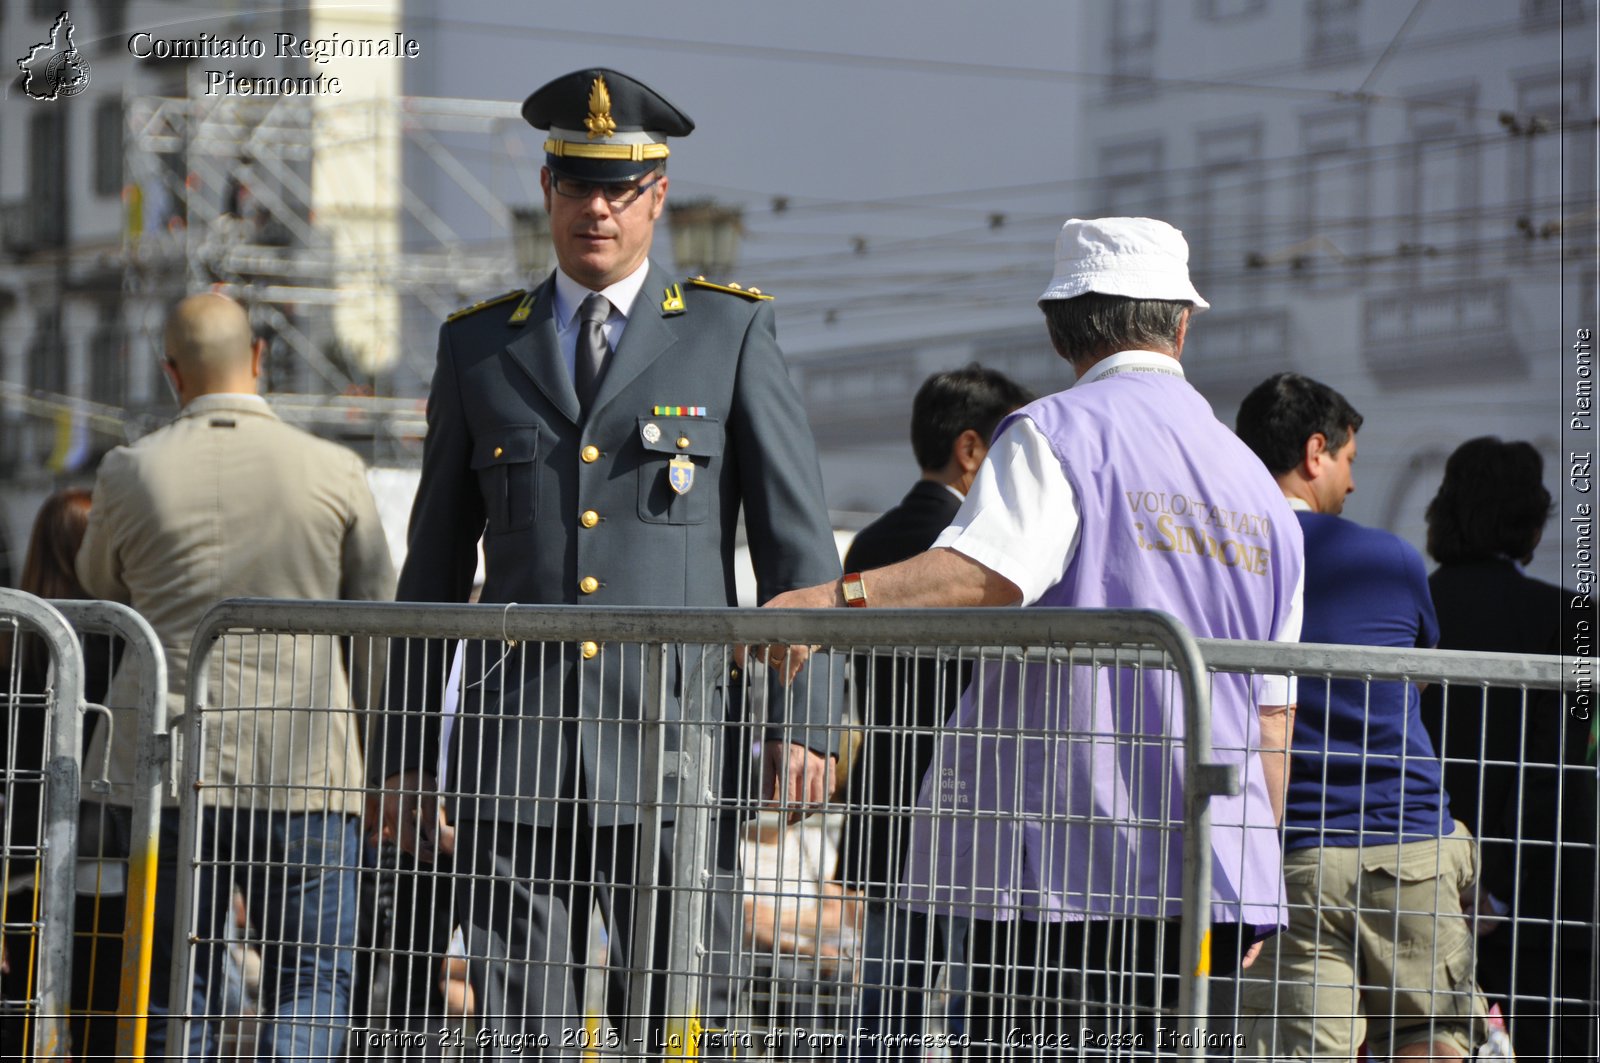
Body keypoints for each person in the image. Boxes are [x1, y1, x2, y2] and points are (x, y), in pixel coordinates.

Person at [369, 67, 842, 1055]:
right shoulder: (477, 349)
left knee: (677, 1026)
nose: (597, 209)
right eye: (576, 183)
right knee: (521, 1032)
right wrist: (408, 754)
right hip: (517, 752)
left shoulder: (728, 331)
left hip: (672, 745)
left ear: (657, 198)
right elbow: (433, 569)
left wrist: (808, 719)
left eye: (619, 189)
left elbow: (795, 544)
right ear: (545, 191)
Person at [768, 217, 1304, 1058]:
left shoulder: (1057, 434)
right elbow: (1273, 720)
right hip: (1212, 874)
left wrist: (830, 599)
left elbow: (988, 571)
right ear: (1184, 323)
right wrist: (1256, 876)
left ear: (1060, 329)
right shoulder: (1262, 493)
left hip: (1063, 869)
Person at [76, 292, 396, 1060]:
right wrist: (379, 750)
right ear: (258, 358)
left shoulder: (128, 470)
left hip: (167, 767)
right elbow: (378, 611)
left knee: (168, 980)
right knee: (313, 976)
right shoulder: (334, 468)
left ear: (172, 373)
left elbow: (98, 584)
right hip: (307, 767)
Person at [1233, 373, 1487, 1060]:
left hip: (1295, 863)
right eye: (1349, 461)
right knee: (1433, 1043)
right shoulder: (1390, 561)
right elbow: (1417, 685)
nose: (1350, 484)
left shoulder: (1229, 561)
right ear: (1317, 451)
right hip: (1411, 848)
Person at [835, 364, 1033, 1055]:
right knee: (974, 997)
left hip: (886, 796)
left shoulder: (869, 544)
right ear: (972, 449)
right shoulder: (972, 555)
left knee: (885, 997)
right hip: (969, 801)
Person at [1420, 437, 1598, 1062]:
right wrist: (1502, 886)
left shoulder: (1415, 609)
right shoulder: (1574, 618)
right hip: (1544, 902)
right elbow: (1566, 762)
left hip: (1422, 883)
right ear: (1530, 520)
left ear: (1444, 511)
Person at [0, 487, 121, 1062]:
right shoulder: (125, 649)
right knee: (102, 1030)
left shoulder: (13, 649)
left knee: (25, 1029)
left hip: (21, 869)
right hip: (108, 866)